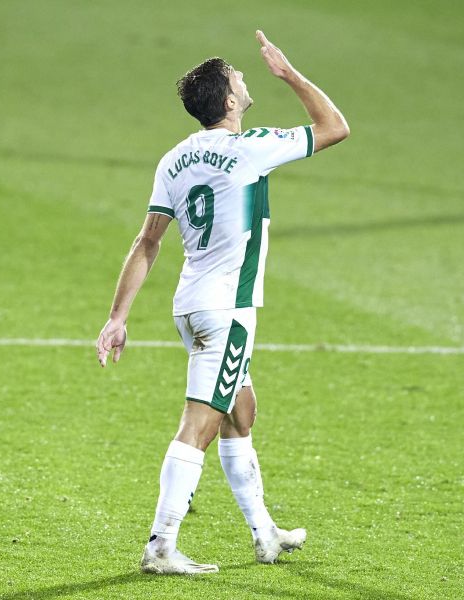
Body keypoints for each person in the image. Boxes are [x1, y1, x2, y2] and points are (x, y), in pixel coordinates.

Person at [95, 30, 349, 575]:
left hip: (190, 306)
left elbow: (148, 242)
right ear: (229, 100)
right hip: (227, 309)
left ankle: (265, 534)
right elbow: (335, 127)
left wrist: (118, 317)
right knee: (200, 425)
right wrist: (289, 74)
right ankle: (160, 546)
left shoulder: (175, 160)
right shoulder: (249, 147)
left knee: (240, 413)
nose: (245, 77)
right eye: (239, 76)